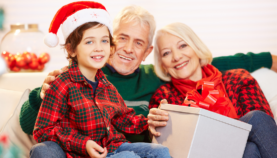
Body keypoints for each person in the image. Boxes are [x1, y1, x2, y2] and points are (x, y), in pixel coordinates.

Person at [20, 4, 277, 157]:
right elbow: (31, 125)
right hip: (76, 150)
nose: (129, 49)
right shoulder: (70, 76)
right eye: (122, 38)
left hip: (123, 151)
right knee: (44, 150)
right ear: (111, 40)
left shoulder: (156, 76)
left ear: (147, 52)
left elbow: (201, 62)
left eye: (139, 43)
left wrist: (267, 58)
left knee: (252, 134)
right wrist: (39, 96)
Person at [32, 2, 170, 158]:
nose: (99, 48)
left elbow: (124, 118)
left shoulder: (105, 85)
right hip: (85, 153)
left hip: (112, 147)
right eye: (89, 41)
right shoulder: (62, 83)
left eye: (104, 41)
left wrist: (149, 122)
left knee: (161, 152)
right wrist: (82, 144)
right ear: (71, 49)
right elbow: (42, 130)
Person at [149, 22, 277, 158]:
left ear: (196, 48)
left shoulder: (238, 79)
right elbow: (166, 146)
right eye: (166, 53)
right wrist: (153, 131)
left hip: (244, 151)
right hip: (200, 153)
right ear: (162, 64)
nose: (176, 57)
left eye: (183, 45)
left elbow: (265, 128)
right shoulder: (164, 97)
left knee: (251, 141)